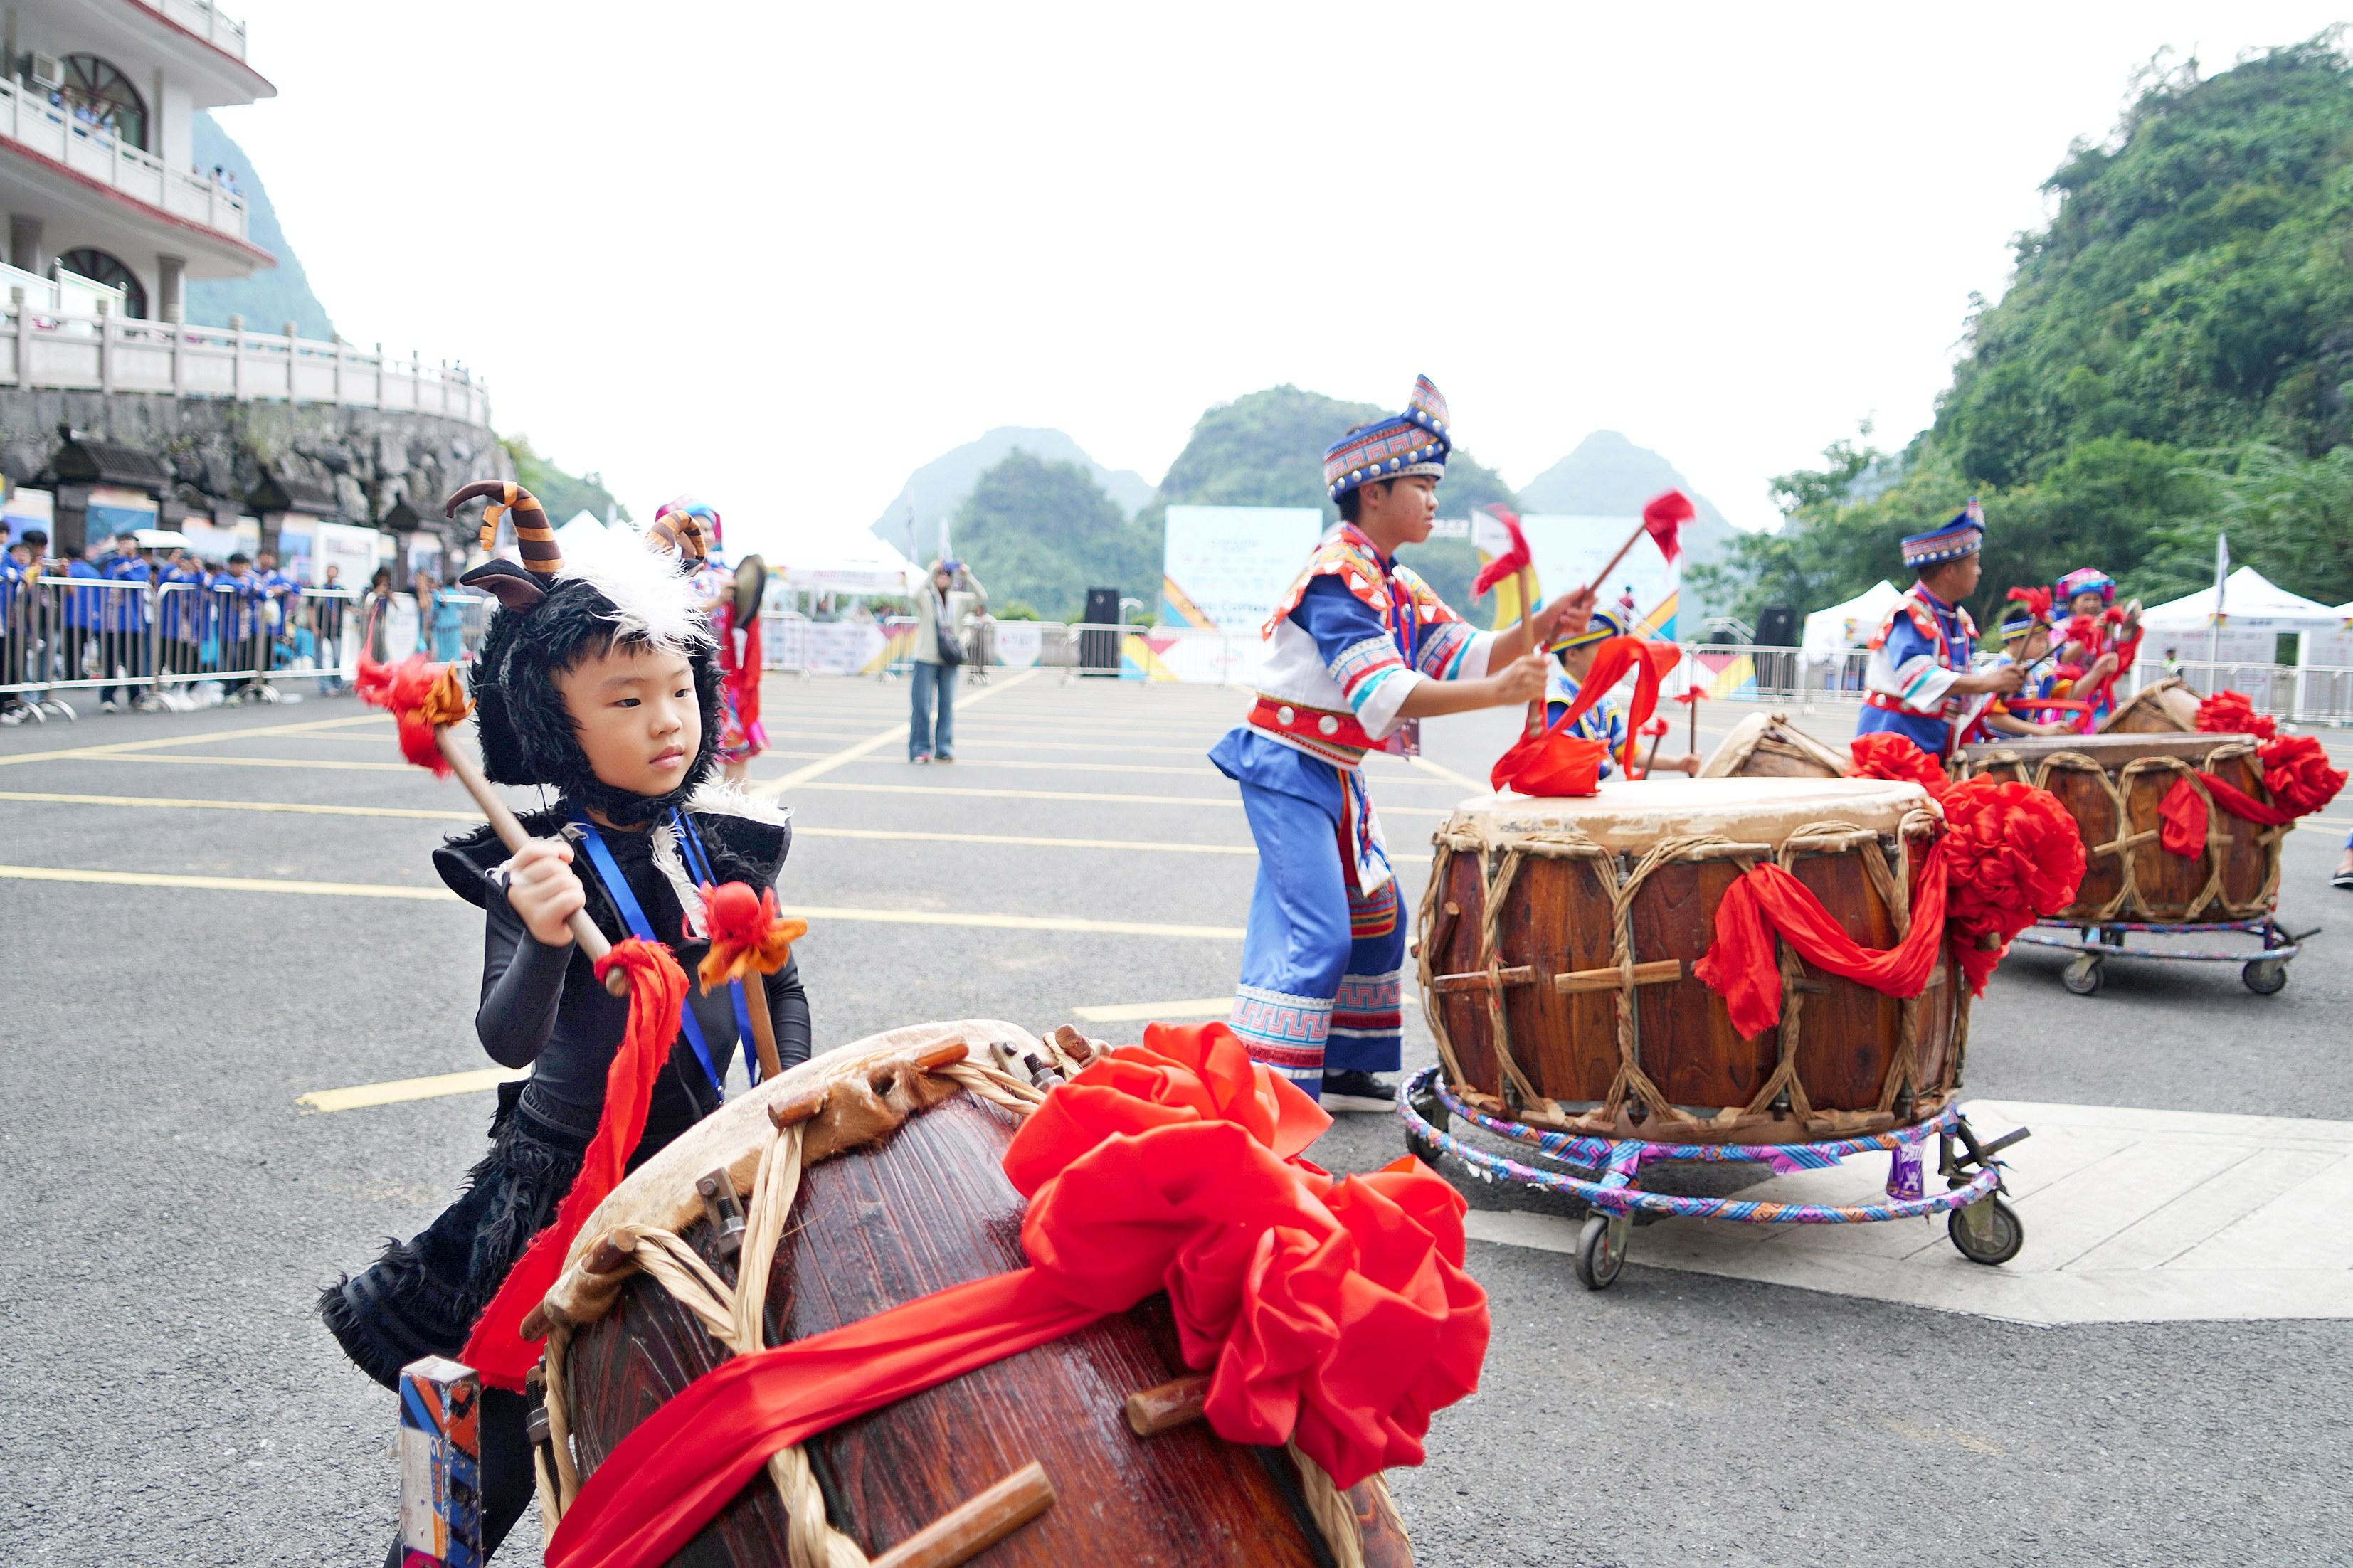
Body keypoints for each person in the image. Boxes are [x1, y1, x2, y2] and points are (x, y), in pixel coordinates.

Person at [319, 516, 810, 1565]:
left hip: (705, 1167)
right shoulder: (540, 864)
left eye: (677, 691)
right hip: (560, 1182)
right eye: (623, 702)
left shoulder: (725, 843)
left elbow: (781, 985)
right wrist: (542, 939)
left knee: (716, 1419)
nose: (663, 721)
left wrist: (789, 1090)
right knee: (493, 1432)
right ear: (554, 723)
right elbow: (506, 1039)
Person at [1211, 376, 1590, 1109]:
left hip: (1333, 769)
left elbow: (1464, 651)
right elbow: (1383, 695)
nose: (1434, 499)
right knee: (1313, 933)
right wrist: (1503, 691)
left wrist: (1541, 627)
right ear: (1374, 491)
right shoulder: (1337, 577)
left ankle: (1339, 1063)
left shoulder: (1393, 578)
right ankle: (1268, 1090)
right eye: (1422, 483)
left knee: (1376, 920)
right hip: (1287, 767)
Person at [1854, 500, 2023, 763]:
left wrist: (1999, 679)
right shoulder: (1911, 613)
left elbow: (1960, 680)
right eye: (1974, 563)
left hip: (1933, 746)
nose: (1979, 571)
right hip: (1893, 746)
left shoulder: (1957, 618)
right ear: (1949, 571)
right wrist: (1988, 682)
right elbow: (1918, 677)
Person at [1543, 605, 1700, 778]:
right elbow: (1562, 763)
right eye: (1603, 649)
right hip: (1562, 802)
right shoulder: (1558, 701)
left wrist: (1678, 764)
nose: (1612, 656)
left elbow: (1629, 752)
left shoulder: (1603, 703)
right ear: (1573, 654)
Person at [1964, 589, 2082, 741]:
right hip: (1997, 749)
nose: (2044, 646)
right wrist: (2041, 730)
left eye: (2046, 640)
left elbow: (2069, 695)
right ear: (2014, 640)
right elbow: (1994, 718)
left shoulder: (2040, 671)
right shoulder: (1996, 671)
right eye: (2039, 640)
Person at [908, 557, 984, 763]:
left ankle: (944, 748)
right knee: (922, 705)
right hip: (926, 658)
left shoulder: (957, 600)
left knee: (947, 705)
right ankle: (920, 749)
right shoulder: (926, 598)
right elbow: (913, 595)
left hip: (949, 659)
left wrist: (967, 575)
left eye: (946, 575)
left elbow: (981, 597)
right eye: (940, 575)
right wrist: (931, 572)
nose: (943, 578)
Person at [2051, 567, 2142, 726]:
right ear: (2073, 604)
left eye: (2096, 599)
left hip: (2101, 697)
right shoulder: (2060, 628)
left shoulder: (2108, 627)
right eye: (2086, 599)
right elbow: (2064, 658)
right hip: (2070, 693)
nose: (2092, 604)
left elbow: (2117, 663)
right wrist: (2090, 633)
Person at [312, 563, 349, 694]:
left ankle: (337, 684)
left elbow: (348, 606)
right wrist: (314, 626)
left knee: (337, 657)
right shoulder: (318, 588)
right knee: (320, 658)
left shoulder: (340, 589)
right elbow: (311, 609)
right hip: (321, 628)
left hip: (336, 629)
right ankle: (324, 686)